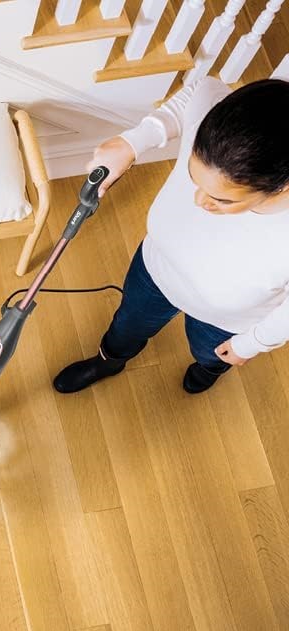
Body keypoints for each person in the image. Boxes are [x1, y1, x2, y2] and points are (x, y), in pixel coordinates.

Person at [54, 77, 289, 395]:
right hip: (155, 272)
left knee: (209, 353)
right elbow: (202, 87)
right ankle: (108, 361)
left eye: (222, 199)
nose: (199, 202)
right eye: (194, 179)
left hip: (225, 320)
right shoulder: (211, 125)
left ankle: (207, 369)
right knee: (126, 326)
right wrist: (132, 142)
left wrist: (251, 344)